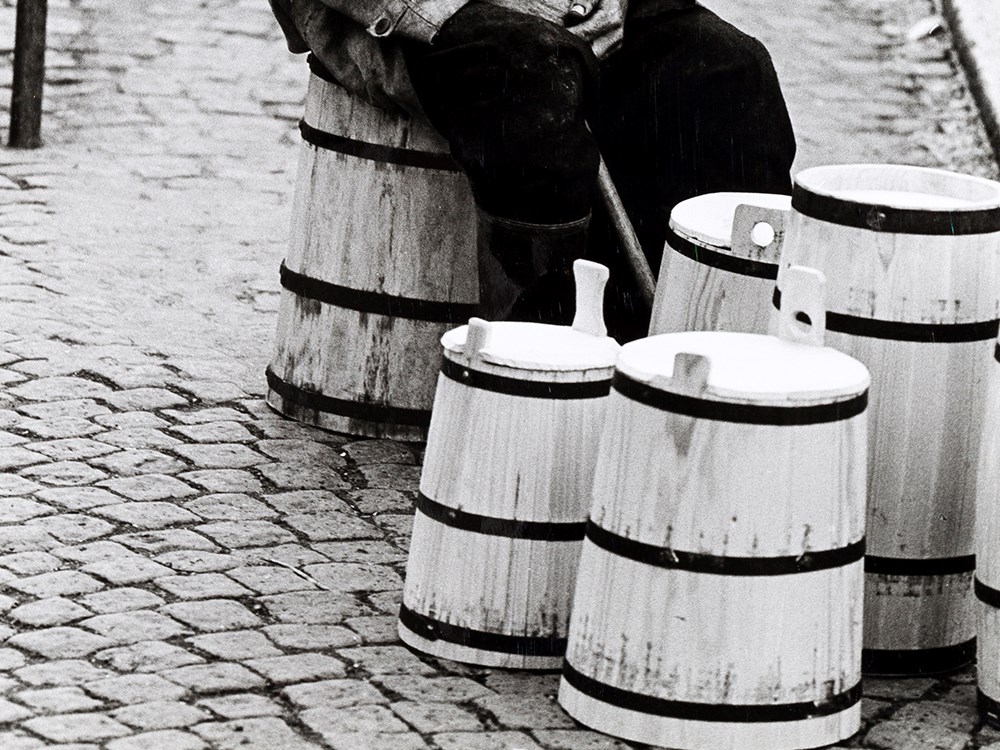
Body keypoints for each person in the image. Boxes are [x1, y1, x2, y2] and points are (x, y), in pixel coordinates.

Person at [269, 0, 797, 341]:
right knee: (527, 74)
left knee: (727, 68)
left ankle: (713, 365)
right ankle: (541, 365)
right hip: (398, 11)